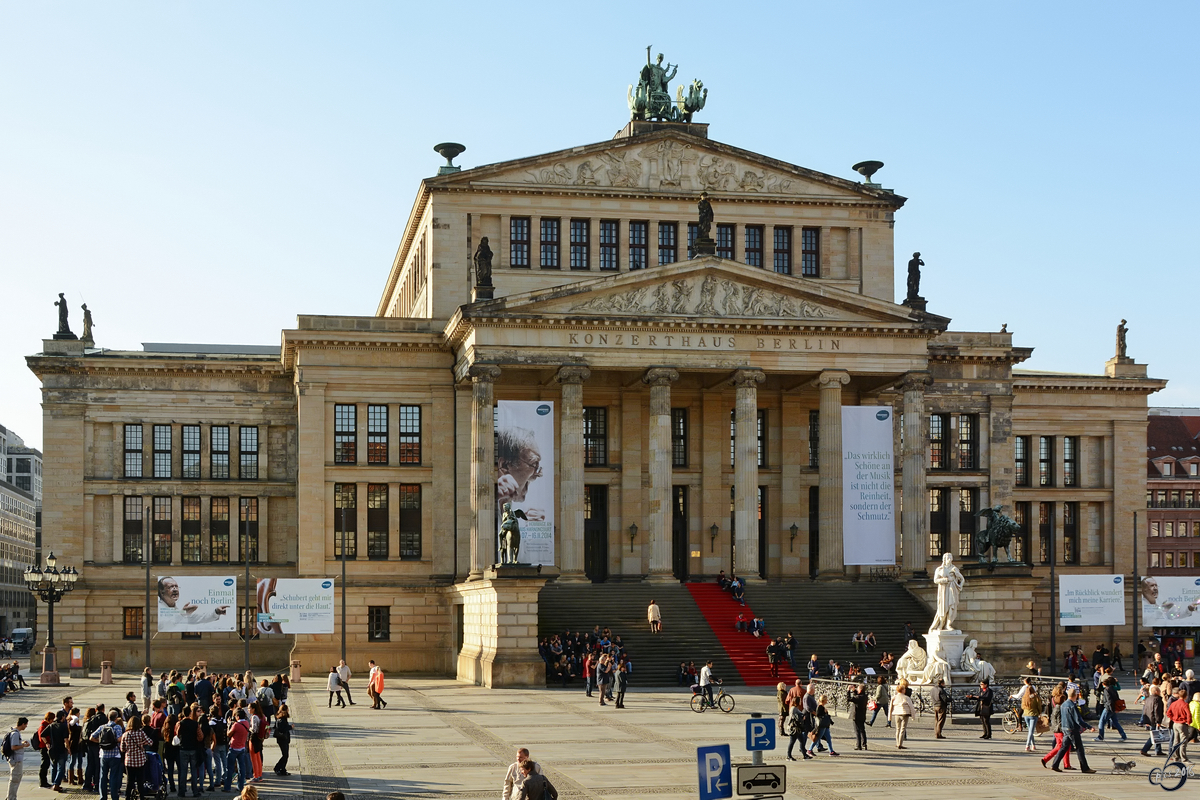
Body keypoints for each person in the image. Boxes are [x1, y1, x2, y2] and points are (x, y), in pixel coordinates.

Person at [1050, 687, 1096, 773]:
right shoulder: (1072, 706)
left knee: (1063, 747)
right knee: (1079, 749)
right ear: (1076, 695)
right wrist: (1089, 727)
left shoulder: (1063, 704)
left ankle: (1055, 764)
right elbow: (1078, 720)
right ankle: (1085, 768)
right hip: (1072, 729)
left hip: (1065, 729)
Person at [118, 716, 152, 800]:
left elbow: (122, 749)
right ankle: (141, 796)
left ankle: (128, 797)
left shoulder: (126, 734)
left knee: (130, 781)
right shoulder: (141, 733)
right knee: (140, 781)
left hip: (129, 761)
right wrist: (142, 744)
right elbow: (150, 742)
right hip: (140, 760)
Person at [94, 710, 125, 800]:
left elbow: (92, 737)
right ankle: (114, 796)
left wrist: (100, 742)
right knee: (113, 776)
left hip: (103, 754)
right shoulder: (117, 727)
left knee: (103, 776)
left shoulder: (102, 727)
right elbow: (119, 739)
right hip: (114, 754)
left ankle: (103, 796)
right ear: (116, 718)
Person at [1041, 683, 1074, 769]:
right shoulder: (1061, 706)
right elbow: (1061, 719)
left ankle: (1046, 759)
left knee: (1060, 746)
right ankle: (1066, 764)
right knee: (1065, 746)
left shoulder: (1054, 702)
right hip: (1060, 729)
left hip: (1055, 727)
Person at [221, 711, 252, 794]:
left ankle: (227, 787)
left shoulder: (236, 725)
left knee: (229, 768)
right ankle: (240, 786)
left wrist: (228, 725)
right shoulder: (246, 723)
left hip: (234, 748)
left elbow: (229, 734)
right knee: (241, 768)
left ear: (238, 717)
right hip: (242, 748)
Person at [1093, 676, 1127, 742]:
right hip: (1113, 707)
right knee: (1115, 722)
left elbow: (1109, 701)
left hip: (1109, 708)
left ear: (1104, 684)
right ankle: (1123, 736)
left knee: (1101, 722)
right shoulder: (1112, 688)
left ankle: (1100, 736)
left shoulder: (1106, 690)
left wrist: (1112, 709)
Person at [1166, 686, 1193, 760]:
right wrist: (1188, 722)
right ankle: (1183, 757)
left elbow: (1168, 713)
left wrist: (1173, 718)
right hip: (1182, 723)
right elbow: (1188, 714)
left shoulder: (1173, 703)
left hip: (1175, 723)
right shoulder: (1185, 704)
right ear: (1186, 696)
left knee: (1176, 741)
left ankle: (1175, 756)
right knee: (1183, 741)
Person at [5, 718, 28, 800]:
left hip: (15, 759)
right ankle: (11, 798)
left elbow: (15, 744)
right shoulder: (15, 734)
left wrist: (21, 742)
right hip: (16, 759)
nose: (26, 726)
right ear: (22, 724)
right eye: (26, 724)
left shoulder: (14, 732)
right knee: (15, 779)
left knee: (15, 779)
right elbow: (13, 747)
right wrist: (23, 746)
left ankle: (10, 797)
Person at [784, 696, 812, 761]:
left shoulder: (795, 708)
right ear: (796, 702)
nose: (800, 702)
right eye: (799, 701)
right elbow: (795, 718)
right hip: (794, 728)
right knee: (792, 742)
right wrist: (802, 718)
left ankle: (805, 755)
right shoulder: (794, 709)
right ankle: (789, 756)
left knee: (802, 741)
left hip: (797, 728)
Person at [1019, 679, 1044, 752]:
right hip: (1034, 714)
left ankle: (1033, 745)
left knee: (1030, 730)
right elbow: (1039, 706)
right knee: (1031, 731)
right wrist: (1039, 712)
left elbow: (1022, 707)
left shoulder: (1024, 698)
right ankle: (1027, 745)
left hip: (1026, 714)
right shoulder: (1035, 697)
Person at [847, 682, 869, 750]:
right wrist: (854, 691)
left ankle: (858, 745)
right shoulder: (865, 696)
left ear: (859, 690)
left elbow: (849, 699)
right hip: (862, 715)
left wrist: (848, 691)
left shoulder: (858, 697)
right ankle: (864, 744)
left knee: (857, 730)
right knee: (862, 730)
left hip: (856, 715)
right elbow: (857, 697)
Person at [272, 705, 292, 777]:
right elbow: (282, 729)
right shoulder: (282, 719)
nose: (288, 710)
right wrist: (290, 727)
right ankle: (277, 767)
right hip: (282, 739)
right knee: (285, 755)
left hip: (283, 739)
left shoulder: (281, 718)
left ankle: (283, 769)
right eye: (287, 709)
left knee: (285, 755)